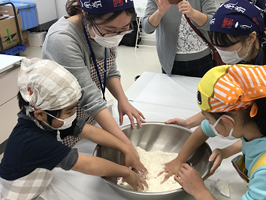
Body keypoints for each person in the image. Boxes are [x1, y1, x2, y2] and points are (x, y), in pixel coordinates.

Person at [164, 0, 266, 177]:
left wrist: (226, 151)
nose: (220, 51)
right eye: (216, 46)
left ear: (251, 38)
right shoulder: (242, 56)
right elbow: (224, 105)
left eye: (226, 46)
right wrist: (189, 122)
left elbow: (264, 126)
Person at [0, 58, 147, 200]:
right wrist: (125, 172)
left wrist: (125, 147)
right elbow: (87, 164)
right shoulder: (32, 140)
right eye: (69, 111)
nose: (74, 116)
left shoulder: (48, 120)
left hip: (39, 186)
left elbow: (89, 131)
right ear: (40, 114)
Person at [177, 64, 266, 199]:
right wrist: (178, 160)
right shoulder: (264, 117)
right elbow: (205, 129)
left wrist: (198, 190)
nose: (209, 124)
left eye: (209, 119)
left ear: (228, 122)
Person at [42, 0, 145, 148]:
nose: (116, 36)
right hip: (63, 119)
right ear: (85, 14)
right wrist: (126, 146)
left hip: (88, 115)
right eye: (109, 30)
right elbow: (89, 97)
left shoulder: (100, 34)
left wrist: (123, 100)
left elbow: (109, 71)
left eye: (124, 29)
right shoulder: (62, 38)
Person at [142, 0, 216, 77]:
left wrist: (193, 13)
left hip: (202, 57)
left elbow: (213, 23)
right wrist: (159, 13)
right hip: (170, 61)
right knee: (171, 88)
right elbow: (147, 28)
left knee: (203, 88)